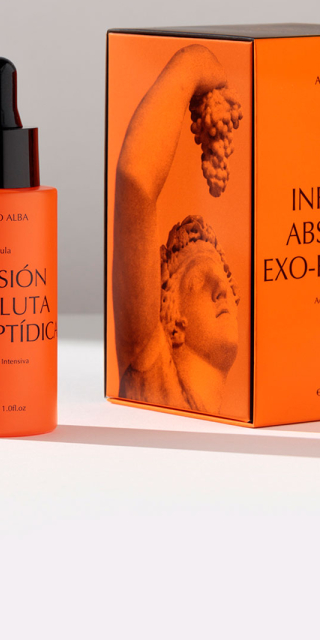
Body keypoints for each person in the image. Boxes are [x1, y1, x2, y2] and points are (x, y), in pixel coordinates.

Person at [112, 44, 240, 415]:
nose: (224, 291)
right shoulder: (151, 378)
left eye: (226, 284)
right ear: (171, 319)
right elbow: (136, 183)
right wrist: (190, 66)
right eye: (201, 281)